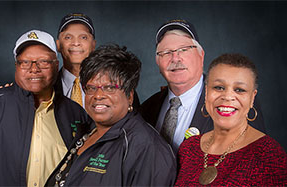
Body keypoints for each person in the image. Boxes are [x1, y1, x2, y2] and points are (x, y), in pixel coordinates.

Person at [0, 30, 91, 186]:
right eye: (25, 62)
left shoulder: (75, 113)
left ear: (56, 64)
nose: (34, 68)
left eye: (43, 61)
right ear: (16, 66)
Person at [46, 44, 176, 186]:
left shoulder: (147, 148)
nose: (98, 95)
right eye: (91, 88)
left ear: (129, 95)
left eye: (109, 88)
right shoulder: (86, 132)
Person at [139, 19, 266, 152]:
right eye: (166, 52)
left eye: (184, 49)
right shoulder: (147, 109)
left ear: (201, 55)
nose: (175, 58)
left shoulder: (235, 102)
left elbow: (257, 157)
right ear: (158, 62)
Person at [175, 53, 287, 186]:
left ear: (252, 98)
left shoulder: (269, 156)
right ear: (206, 92)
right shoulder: (188, 148)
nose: (227, 96)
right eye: (219, 87)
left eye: (239, 90)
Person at [54, 13, 140, 108]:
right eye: (68, 37)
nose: (76, 43)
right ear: (58, 45)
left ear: (93, 45)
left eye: (83, 37)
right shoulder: (46, 89)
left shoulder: (120, 87)